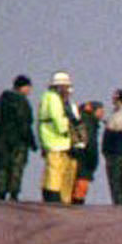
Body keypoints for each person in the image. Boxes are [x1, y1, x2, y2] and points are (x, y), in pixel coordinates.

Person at [0, 75, 35, 201]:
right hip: (18, 142)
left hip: (1, 141)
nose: (30, 90)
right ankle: (13, 194)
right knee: (16, 168)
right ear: (23, 87)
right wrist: (32, 142)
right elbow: (25, 124)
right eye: (28, 87)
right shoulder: (22, 102)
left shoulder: (2, 101)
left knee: (2, 168)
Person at [37, 71, 79, 204]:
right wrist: (66, 130)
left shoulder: (47, 97)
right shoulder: (54, 99)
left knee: (55, 169)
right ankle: (53, 196)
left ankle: (54, 194)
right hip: (57, 140)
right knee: (55, 169)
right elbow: (57, 118)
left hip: (53, 140)